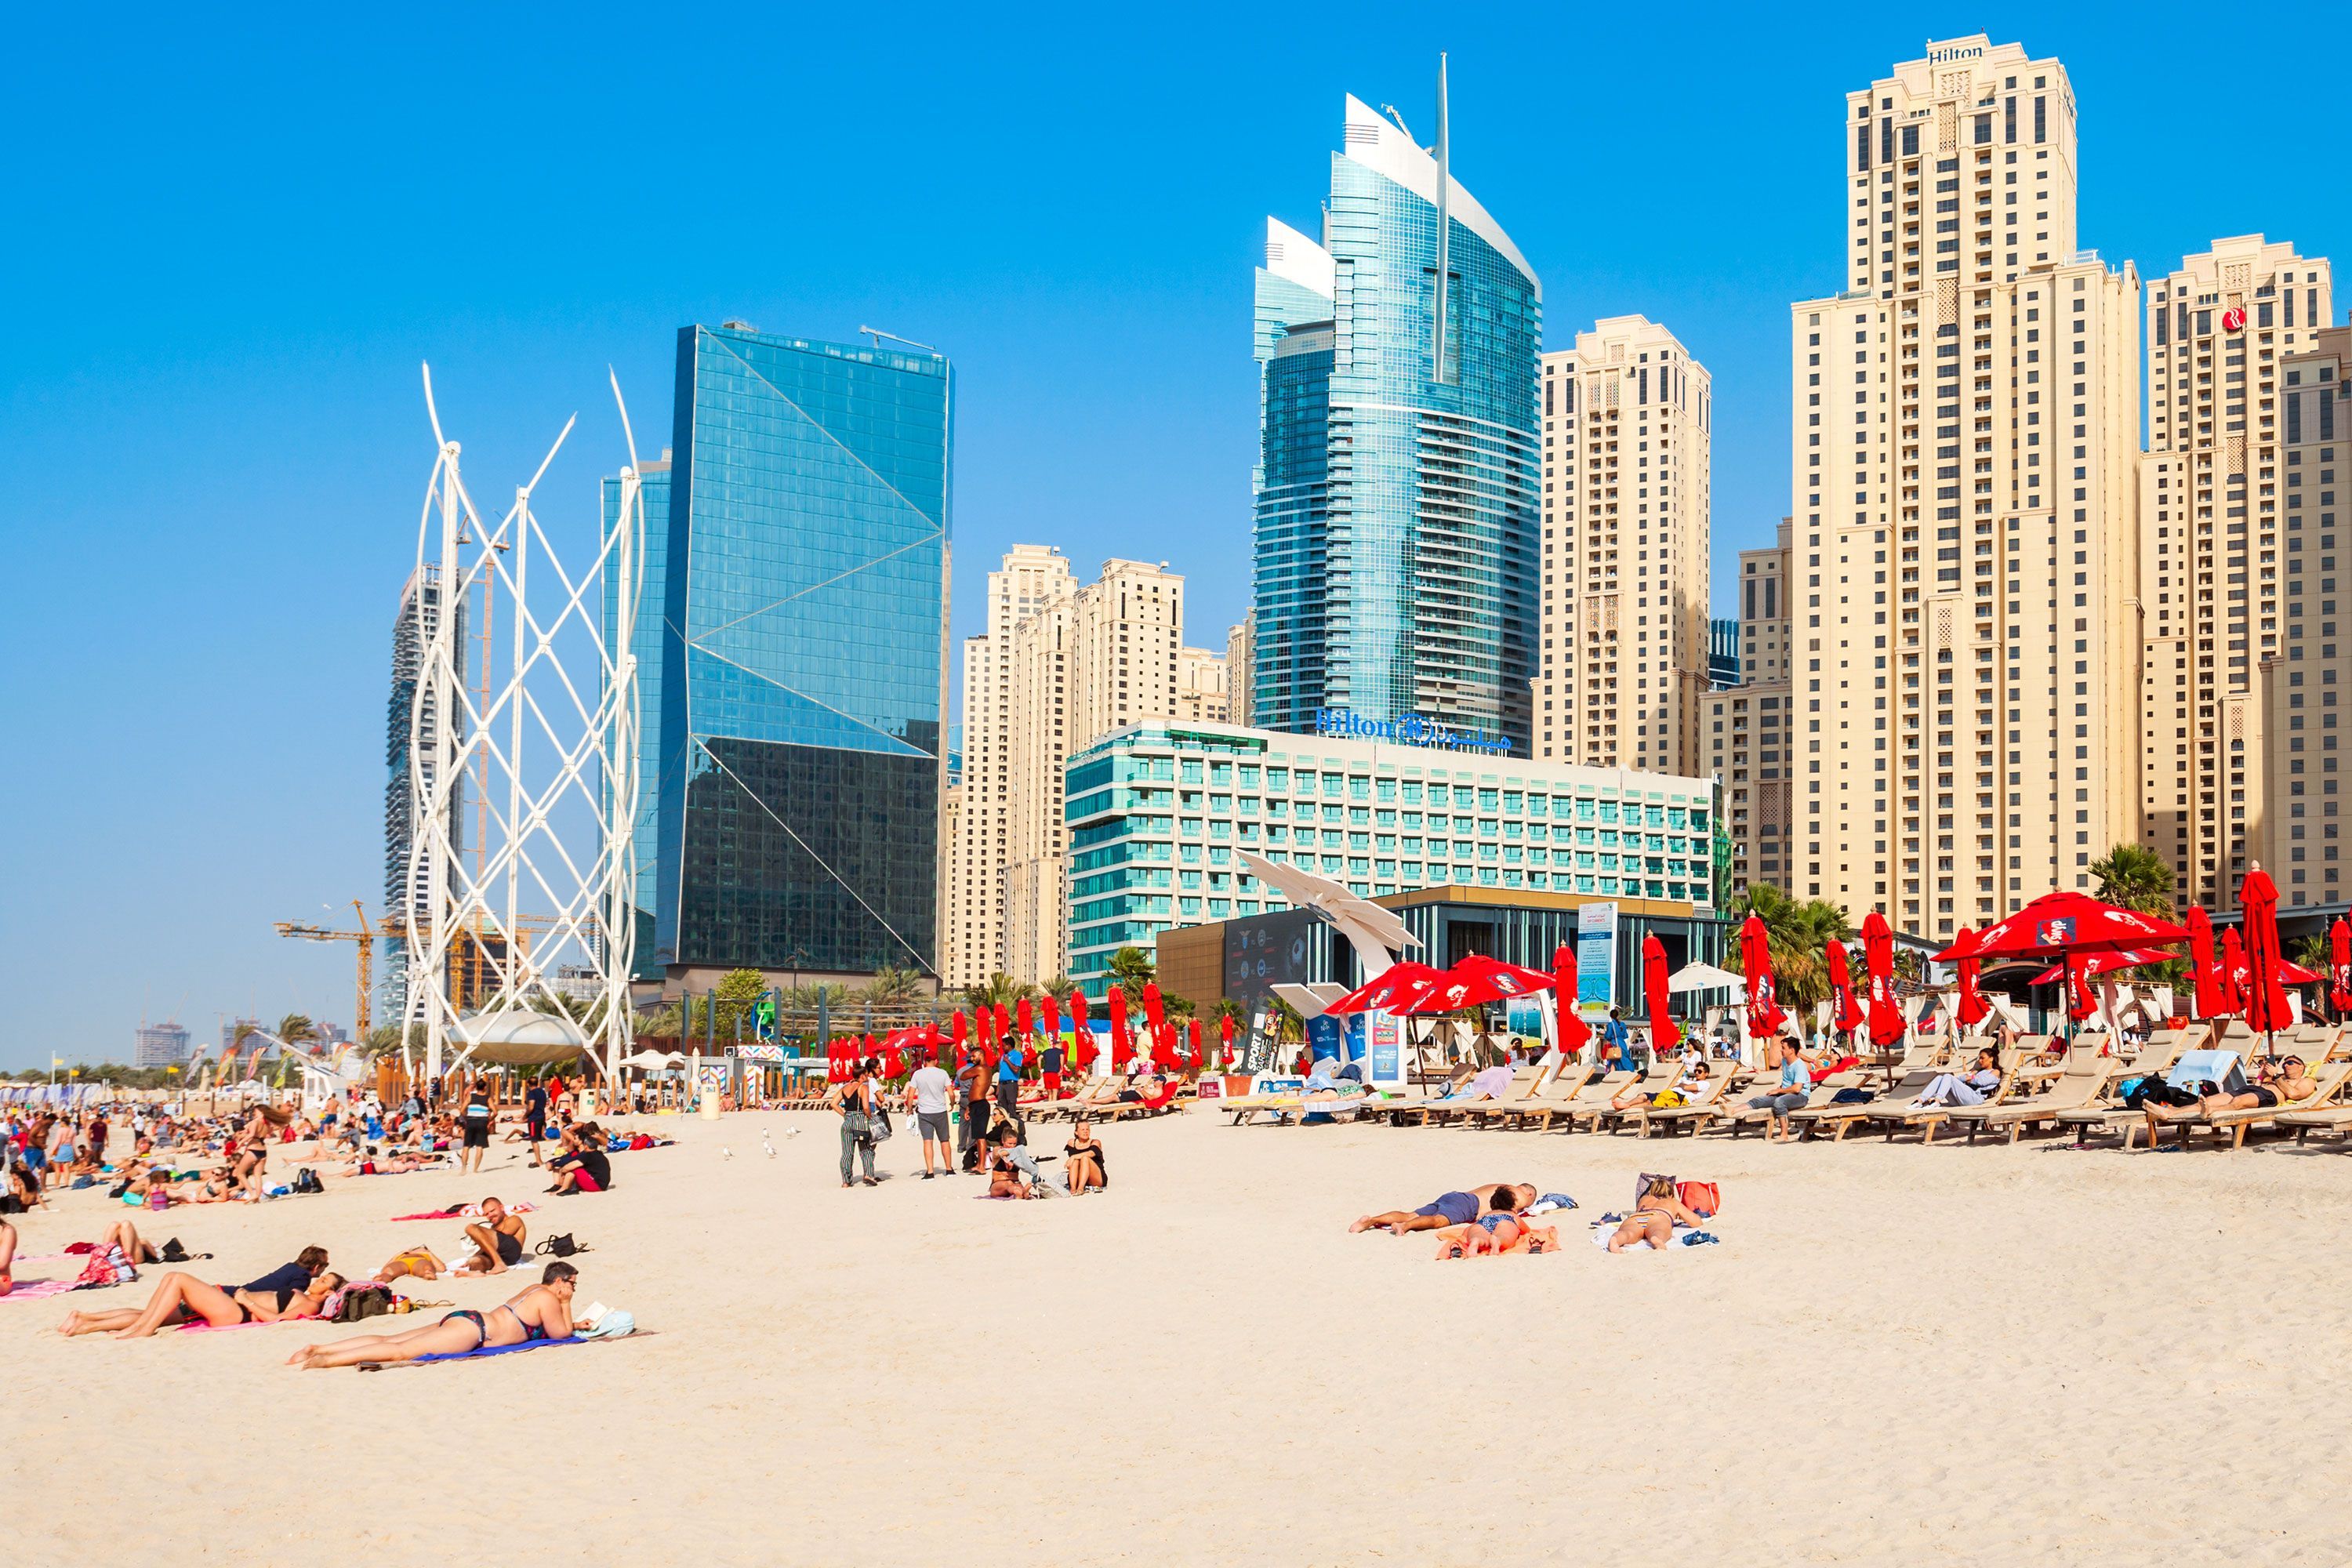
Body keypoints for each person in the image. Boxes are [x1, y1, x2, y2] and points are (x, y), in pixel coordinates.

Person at [289, 1260, 577, 1369]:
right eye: (571, 1283)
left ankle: (318, 1348)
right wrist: (567, 1303)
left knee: (391, 1338)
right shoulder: (549, 1297)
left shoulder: (534, 1288)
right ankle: (325, 1360)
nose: (573, 1288)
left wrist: (577, 1321)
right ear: (559, 1282)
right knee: (399, 1351)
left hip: (469, 1319)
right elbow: (560, 1334)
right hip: (475, 1332)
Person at [60, 1267, 346, 1338]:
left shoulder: (310, 1306)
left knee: (178, 1278)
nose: (317, 1280)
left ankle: (143, 1330)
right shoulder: (303, 1294)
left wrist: (246, 1300)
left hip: (238, 1312)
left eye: (324, 1281)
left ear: (330, 1293)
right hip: (234, 1307)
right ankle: (85, 1322)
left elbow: (276, 1321)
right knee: (154, 1311)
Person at [1350, 1182, 1537, 1236]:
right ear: (1529, 1194)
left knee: (1411, 1213)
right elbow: (1505, 1213)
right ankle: (1404, 1227)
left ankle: (1371, 1220)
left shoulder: (1502, 1184)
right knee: (1439, 1221)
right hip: (1467, 1205)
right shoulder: (1520, 1195)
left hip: (1454, 1196)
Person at [1607, 1175, 1706, 1253]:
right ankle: (1657, 1238)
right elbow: (1696, 1222)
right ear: (1671, 1194)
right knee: (1658, 1230)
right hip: (1658, 1216)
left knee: (1629, 1233)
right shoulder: (1673, 1202)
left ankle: (1616, 1240)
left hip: (1636, 1217)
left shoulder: (1644, 1199)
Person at [1747, 1034, 1815, 1142]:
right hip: (1786, 1093)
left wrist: (1779, 1090)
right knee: (1760, 1099)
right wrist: (1763, 1073)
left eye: (1783, 1048)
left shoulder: (1799, 1066)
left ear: (1791, 1050)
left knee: (1779, 1102)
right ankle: (1732, 1111)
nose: (1781, 1051)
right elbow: (1778, 1073)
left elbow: (1797, 1089)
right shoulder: (1784, 1061)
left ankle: (1784, 1135)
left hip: (1801, 1096)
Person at [826, 1060, 880, 1189]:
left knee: (846, 1153)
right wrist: (871, 1118)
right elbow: (866, 1108)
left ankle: (846, 1181)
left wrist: (845, 1115)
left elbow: (833, 1104)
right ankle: (868, 1175)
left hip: (847, 1121)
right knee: (866, 1150)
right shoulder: (863, 1088)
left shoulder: (845, 1088)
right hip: (860, 1120)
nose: (867, 1078)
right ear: (862, 1076)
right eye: (866, 1076)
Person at [905, 1049, 955, 1180]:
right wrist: (952, 1103)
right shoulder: (942, 1073)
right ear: (936, 1060)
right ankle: (949, 1169)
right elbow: (951, 1093)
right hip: (940, 1111)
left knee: (928, 1142)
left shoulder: (918, 1074)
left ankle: (930, 1172)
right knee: (944, 1140)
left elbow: (910, 1095)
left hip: (924, 1112)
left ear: (924, 1061)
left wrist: (909, 1110)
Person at [1909, 1046, 2002, 1109]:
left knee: (1948, 1077)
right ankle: (1920, 1100)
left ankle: (1937, 1101)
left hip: (1975, 1099)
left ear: (1991, 1059)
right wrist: (1969, 1078)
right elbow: (1959, 1079)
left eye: (1983, 1058)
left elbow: (1982, 1082)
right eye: (1979, 1058)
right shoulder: (1977, 1071)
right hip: (1961, 1100)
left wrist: (1970, 1078)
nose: (1980, 1061)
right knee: (1941, 1078)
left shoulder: (1995, 1072)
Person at [1614, 1054, 1711, 1112]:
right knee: (1643, 1095)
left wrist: (1683, 1085)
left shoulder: (1705, 1084)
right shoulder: (1689, 1081)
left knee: (1650, 1103)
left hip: (1679, 1098)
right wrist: (1684, 1085)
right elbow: (1683, 1086)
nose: (1697, 1073)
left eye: (1700, 1072)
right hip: (1669, 1093)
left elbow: (1687, 1088)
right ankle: (1627, 1104)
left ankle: (1628, 1109)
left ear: (1706, 1074)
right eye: (1696, 1071)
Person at [455, 1197, 527, 1276]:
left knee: (470, 1228)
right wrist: (472, 1259)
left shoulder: (514, 1219)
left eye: (492, 1211)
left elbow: (502, 1236)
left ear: (501, 1208)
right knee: (475, 1261)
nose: (490, 1215)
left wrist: (480, 1234)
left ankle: (499, 1263)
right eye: (487, 1214)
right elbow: (489, 1244)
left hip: (512, 1249)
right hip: (503, 1258)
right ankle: (476, 1273)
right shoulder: (492, 1227)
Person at [241, 1245, 331, 1301]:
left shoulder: (290, 1267)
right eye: (326, 1265)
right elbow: (290, 1300)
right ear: (316, 1267)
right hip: (244, 1297)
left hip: (240, 1290)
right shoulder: (303, 1277)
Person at [546, 1126, 613, 1195]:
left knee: (574, 1169)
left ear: (586, 1146)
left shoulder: (588, 1155)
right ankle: (562, 1187)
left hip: (596, 1186)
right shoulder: (598, 1154)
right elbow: (566, 1159)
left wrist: (562, 1171)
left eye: (575, 1139)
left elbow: (570, 1166)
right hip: (602, 1185)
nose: (573, 1140)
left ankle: (563, 1189)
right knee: (573, 1168)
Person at [458, 1076, 494, 1175]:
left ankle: (463, 1169)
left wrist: (467, 1118)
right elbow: (495, 1112)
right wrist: (488, 1120)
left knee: (466, 1146)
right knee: (479, 1146)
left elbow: (461, 1110)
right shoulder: (487, 1098)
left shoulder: (471, 1096)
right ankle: (475, 1169)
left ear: (476, 1087)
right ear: (485, 1087)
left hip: (471, 1121)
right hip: (482, 1122)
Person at [1063, 1116, 1106, 1194]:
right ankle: (1073, 1188)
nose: (1085, 1132)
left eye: (1087, 1129)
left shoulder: (1095, 1142)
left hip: (1096, 1177)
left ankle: (1080, 1188)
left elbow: (1091, 1153)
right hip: (1079, 1175)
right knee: (1076, 1161)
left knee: (1085, 1158)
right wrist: (1074, 1158)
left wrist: (1073, 1157)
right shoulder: (1072, 1143)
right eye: (1083, 1130)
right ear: (1076, 1132)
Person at [996, 1036, 1027, 1138]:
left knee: (1011, 1107)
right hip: (1002, 1083)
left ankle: (1019, 1131)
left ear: (1009, 1045)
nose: (1003, 1048)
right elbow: (1001, 1072)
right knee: (1002, 1108)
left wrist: (1008, 1061)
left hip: (1011, 1083)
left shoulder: (1016, 1055)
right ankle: (1004, 1131)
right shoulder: (1003, 1056)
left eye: (1004, 1046)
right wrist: (998, 1087)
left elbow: (1016, 1070)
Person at [1602, 1007, 1634, 1072]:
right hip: (1622, 1043)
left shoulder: (1611, 1024)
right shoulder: (1623, 1024)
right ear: (1617, 1015)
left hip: (1615, 1043)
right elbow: (1625, 1035)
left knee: (1614, 1058)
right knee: (1624, 1057)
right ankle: (1629, 1070)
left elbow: (1608, 1036)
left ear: (1610, 1016)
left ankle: (1613, 1073)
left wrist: (1606, 1034)